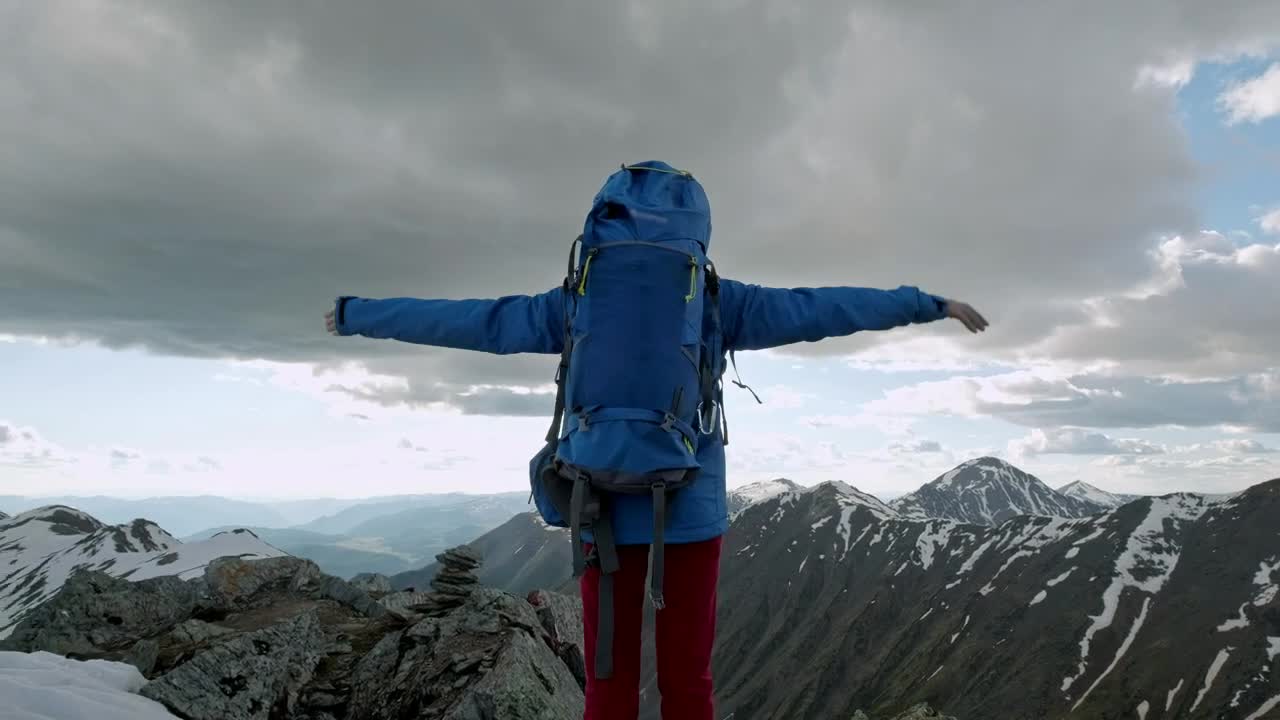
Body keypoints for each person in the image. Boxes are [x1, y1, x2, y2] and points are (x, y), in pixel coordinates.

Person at [324, 162, 988, 720]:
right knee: (687, 681)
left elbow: (474, 322)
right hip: (689, 509)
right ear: (697, 238)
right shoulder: (720, 301)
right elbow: (825, 308)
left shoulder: (577, 302)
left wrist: (361, 316)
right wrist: (924, 303)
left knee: (609, 679)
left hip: (598, 502)